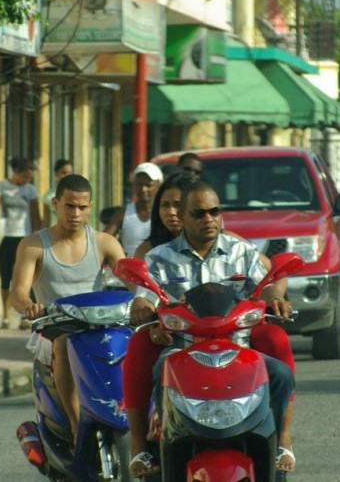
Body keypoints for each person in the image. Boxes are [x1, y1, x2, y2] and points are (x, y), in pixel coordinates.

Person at [124, 180, 296, 477]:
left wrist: (276, 299)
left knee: (279, 373)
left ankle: (279, 440)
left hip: (240, 351)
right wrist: (141, 305)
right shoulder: (160, 258)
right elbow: (145, 294)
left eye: (215, 212)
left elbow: (266, 286)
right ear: (185, 216)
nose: (209, 219)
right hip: (182, 350)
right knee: (159, 371)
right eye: (200, 213)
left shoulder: (242, 251)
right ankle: (156, 445)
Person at [7, 174, 125, 442]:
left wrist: (144, 299)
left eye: (82, 207)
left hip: (97, 327)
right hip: (52, 329)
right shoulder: (34, 244)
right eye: (69, 206)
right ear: (55, 203)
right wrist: (29, 307)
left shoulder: (105, 242)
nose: (75, 213)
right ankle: (76, 428)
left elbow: (132, 280)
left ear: (90, 208)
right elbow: (18, 292)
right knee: (65, 343)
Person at [0, 157, 39, 329]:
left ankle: (25, 316)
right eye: (25, 176)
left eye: (30, 177)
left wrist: (37, 235)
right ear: (16, 173)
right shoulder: (1, 186)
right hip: (6, 236)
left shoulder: (30, 190)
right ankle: (5, 316)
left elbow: (35, 213)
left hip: (24, 237)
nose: (27, 180)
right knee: (5, 277)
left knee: (27, 278)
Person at [103, 162, 163, 256]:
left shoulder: (164, 213)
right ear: (134, 185)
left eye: (148, 185)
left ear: (158, 186)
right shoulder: (123, 213)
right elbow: (104, 241)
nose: (143, 189)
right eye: (140, 184)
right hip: (130, 268)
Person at [42, 158, 73, 228]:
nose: (67, 175)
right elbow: (46, 220)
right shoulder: (48, 196)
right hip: (54, 234)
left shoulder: (76, 194)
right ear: (56, 173)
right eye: (64, 173)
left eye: (70, 173)